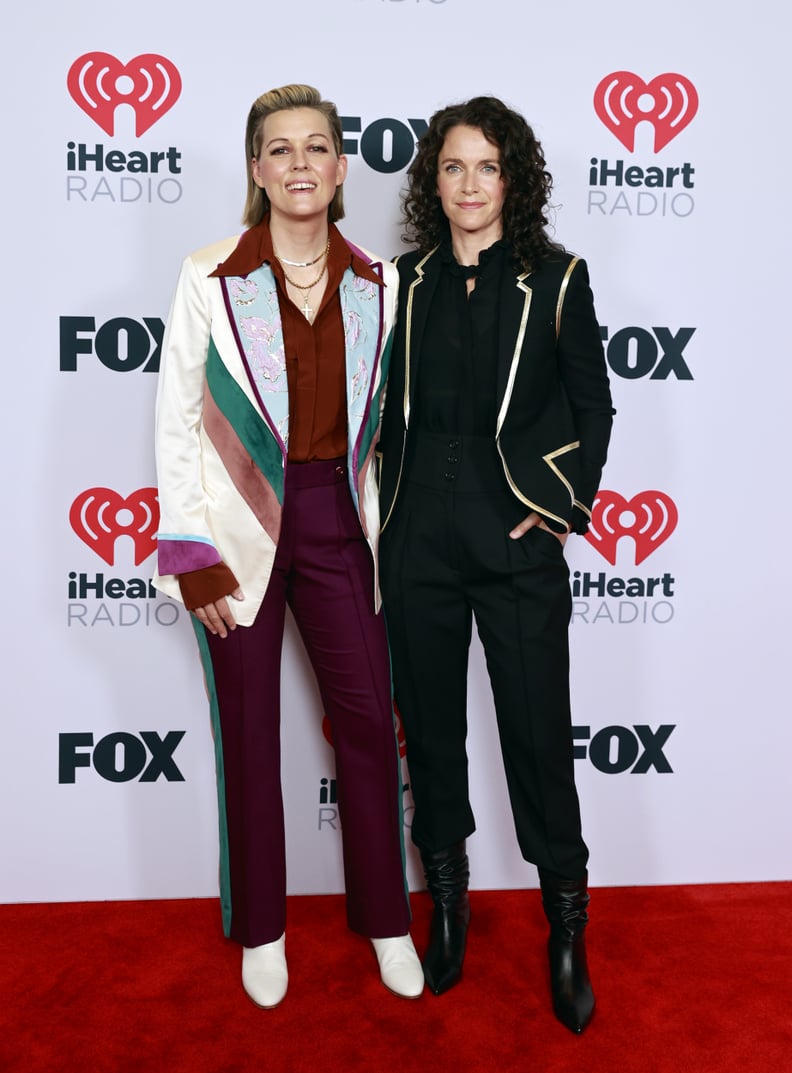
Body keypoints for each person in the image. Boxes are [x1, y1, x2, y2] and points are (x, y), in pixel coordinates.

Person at [153, 84, 423, 1008]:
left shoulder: (382, 283)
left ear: (342, 168)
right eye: (280, 148)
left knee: (367, 727)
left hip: (339, 523)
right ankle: (261, 929)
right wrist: (192, 555)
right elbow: (178, 420)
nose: (300, 162)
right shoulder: (210, 274)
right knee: (249, 732)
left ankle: (387, 918)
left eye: (318, 147)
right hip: (237, 527)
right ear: (257, 169)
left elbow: (395, 429)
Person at [378, 96, 614, 1033]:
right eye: (452, 167)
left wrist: (555, 510)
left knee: (537, 735)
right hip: (416, 541)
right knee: (430, 735)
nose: (468, 184)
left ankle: (567, 928)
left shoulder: (556, 279)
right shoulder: (400, 282)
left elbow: (593, 407)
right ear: (431, 182)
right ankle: (447, 905)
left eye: (487, 167)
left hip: (514, 537)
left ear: (512, 179)